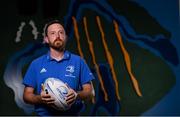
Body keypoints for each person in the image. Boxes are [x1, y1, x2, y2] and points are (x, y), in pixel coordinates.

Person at [23, 20, 95, 116]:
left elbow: (90, 92)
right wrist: (40, 98)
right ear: (46, 39)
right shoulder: (36, 64)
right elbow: (26, 95)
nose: (57, 36)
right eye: (53, 33)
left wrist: (76, 95)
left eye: (61, 32)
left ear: (65, 37)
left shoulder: (78, 61)